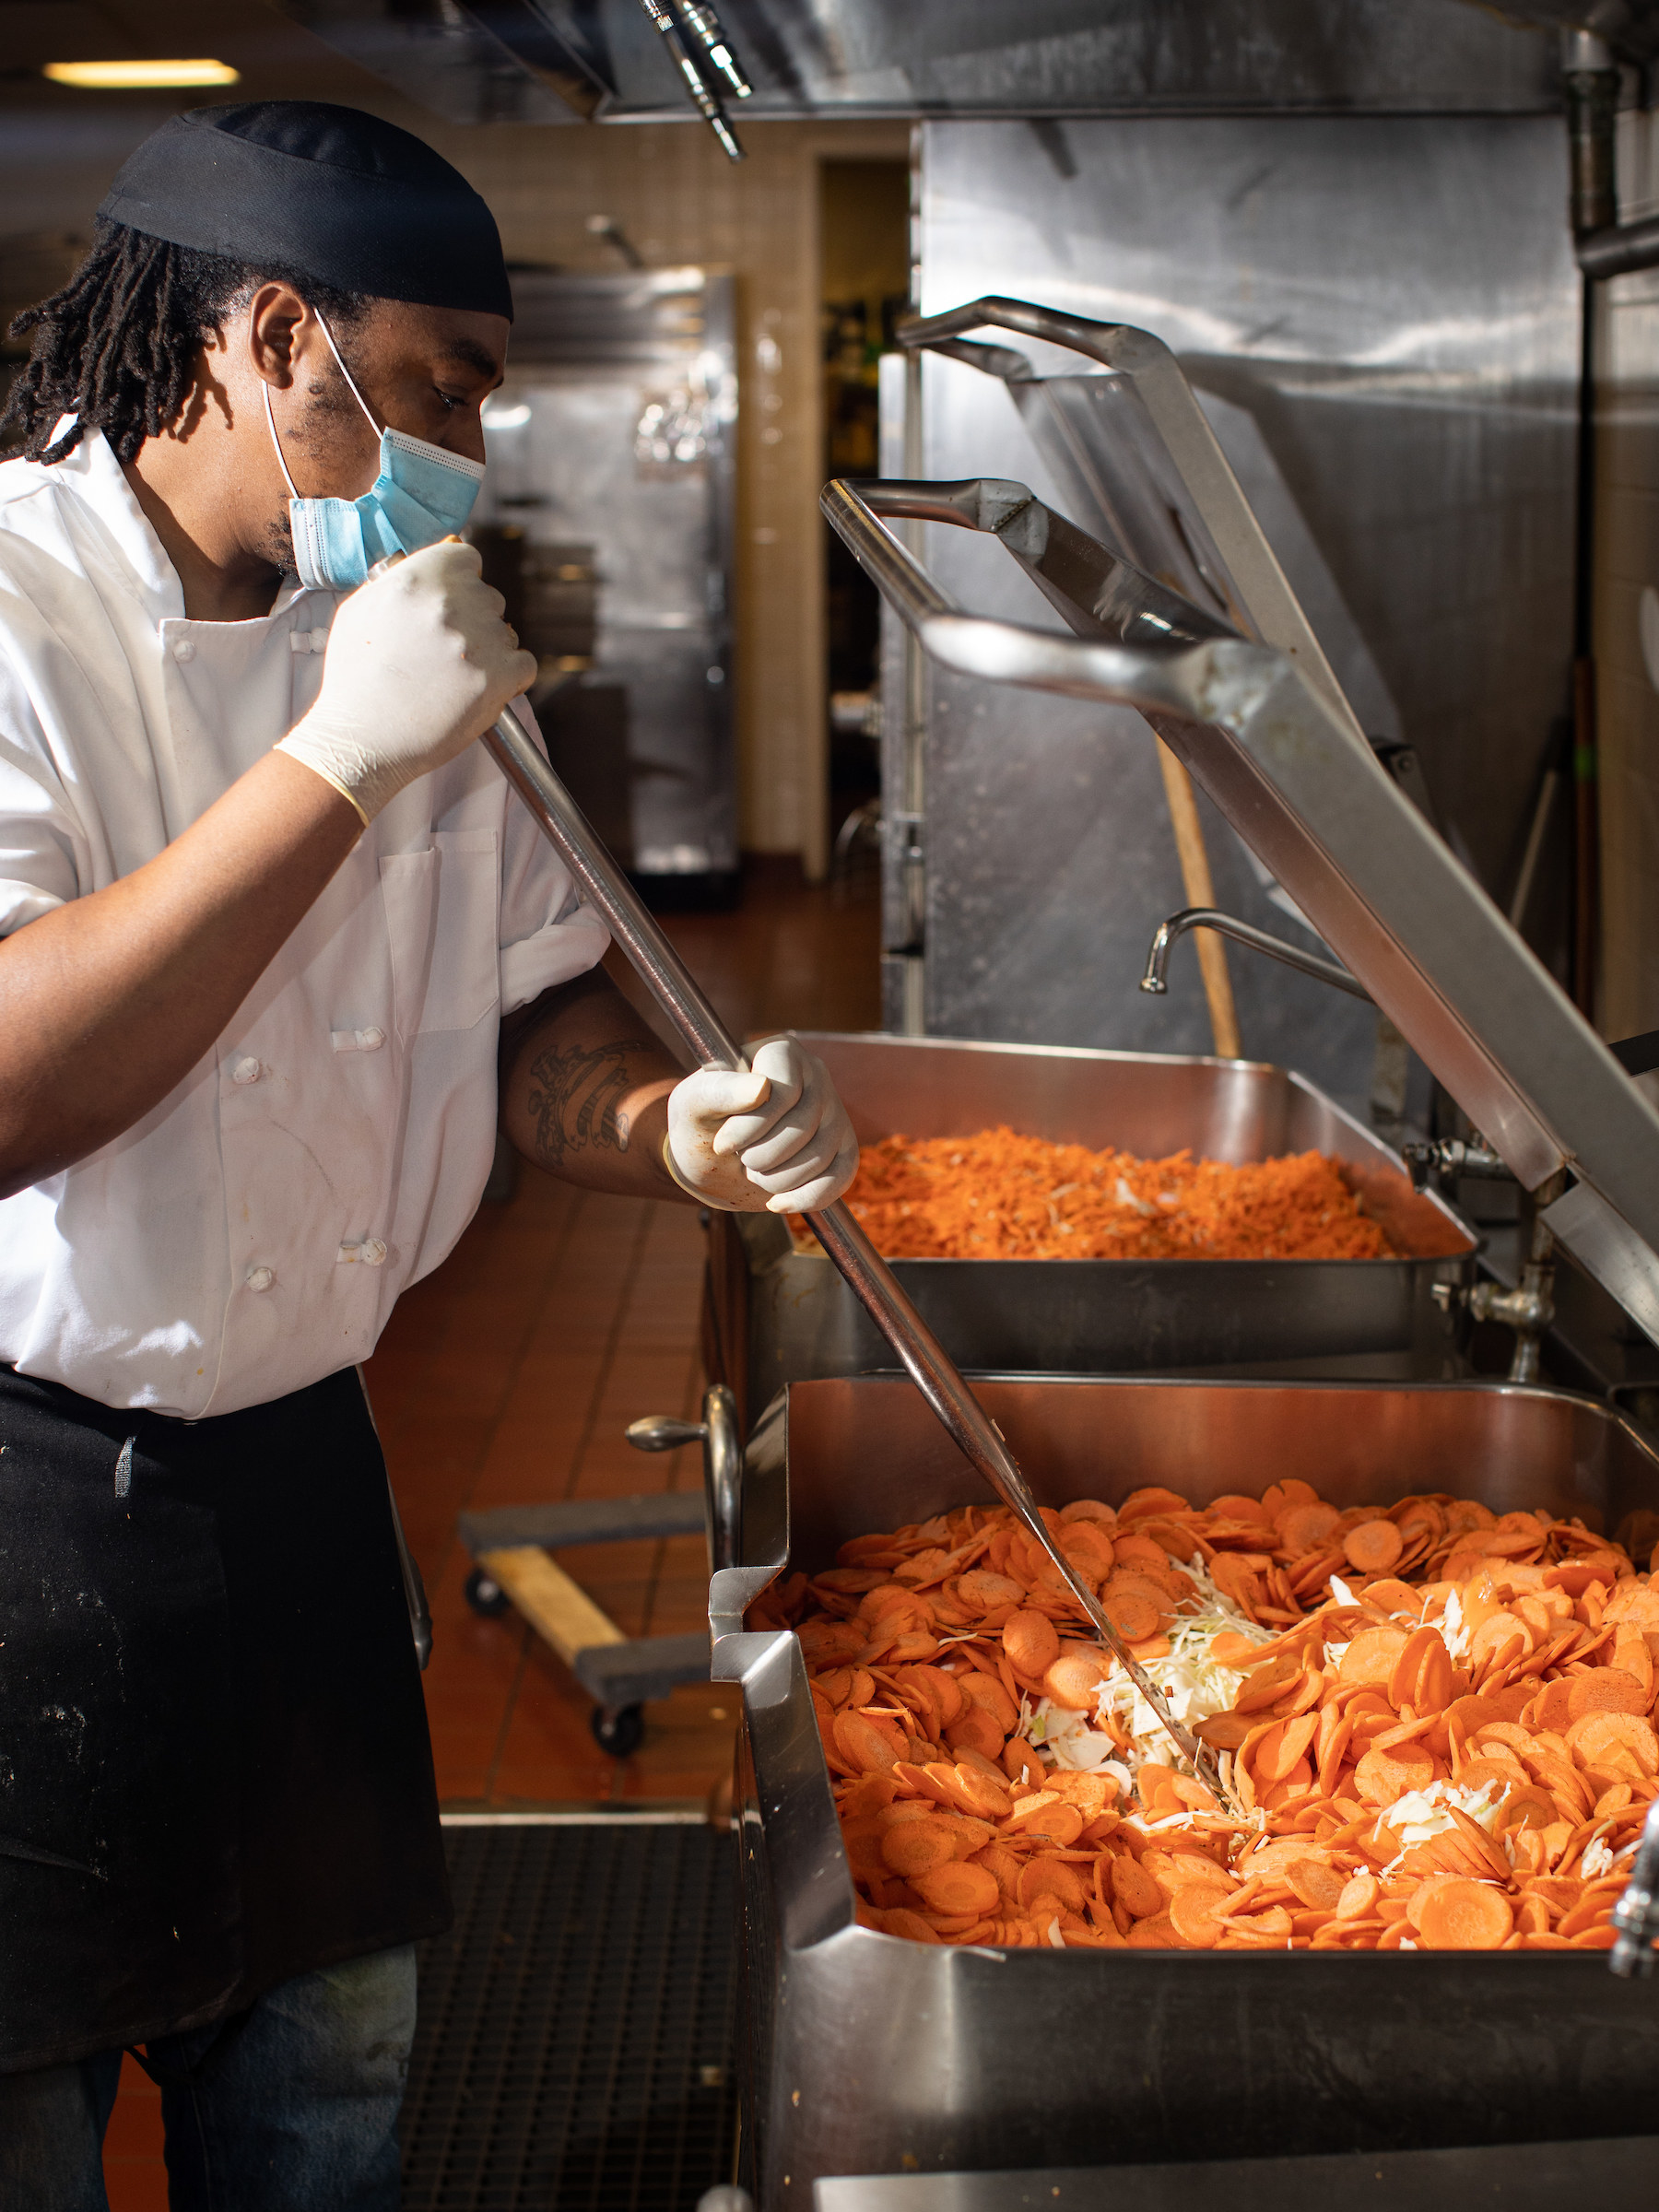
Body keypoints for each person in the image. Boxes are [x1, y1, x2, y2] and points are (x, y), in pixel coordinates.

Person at [0, 100, 857, 2208]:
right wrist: (332, 765)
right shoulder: (20, 618)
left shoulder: (401, 624)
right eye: (441, 386)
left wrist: (678, 1135)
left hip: (307, 1487)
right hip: (22, 1524)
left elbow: (534, 1006)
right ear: (271, 335)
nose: (474, 445)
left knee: (329, 2113)